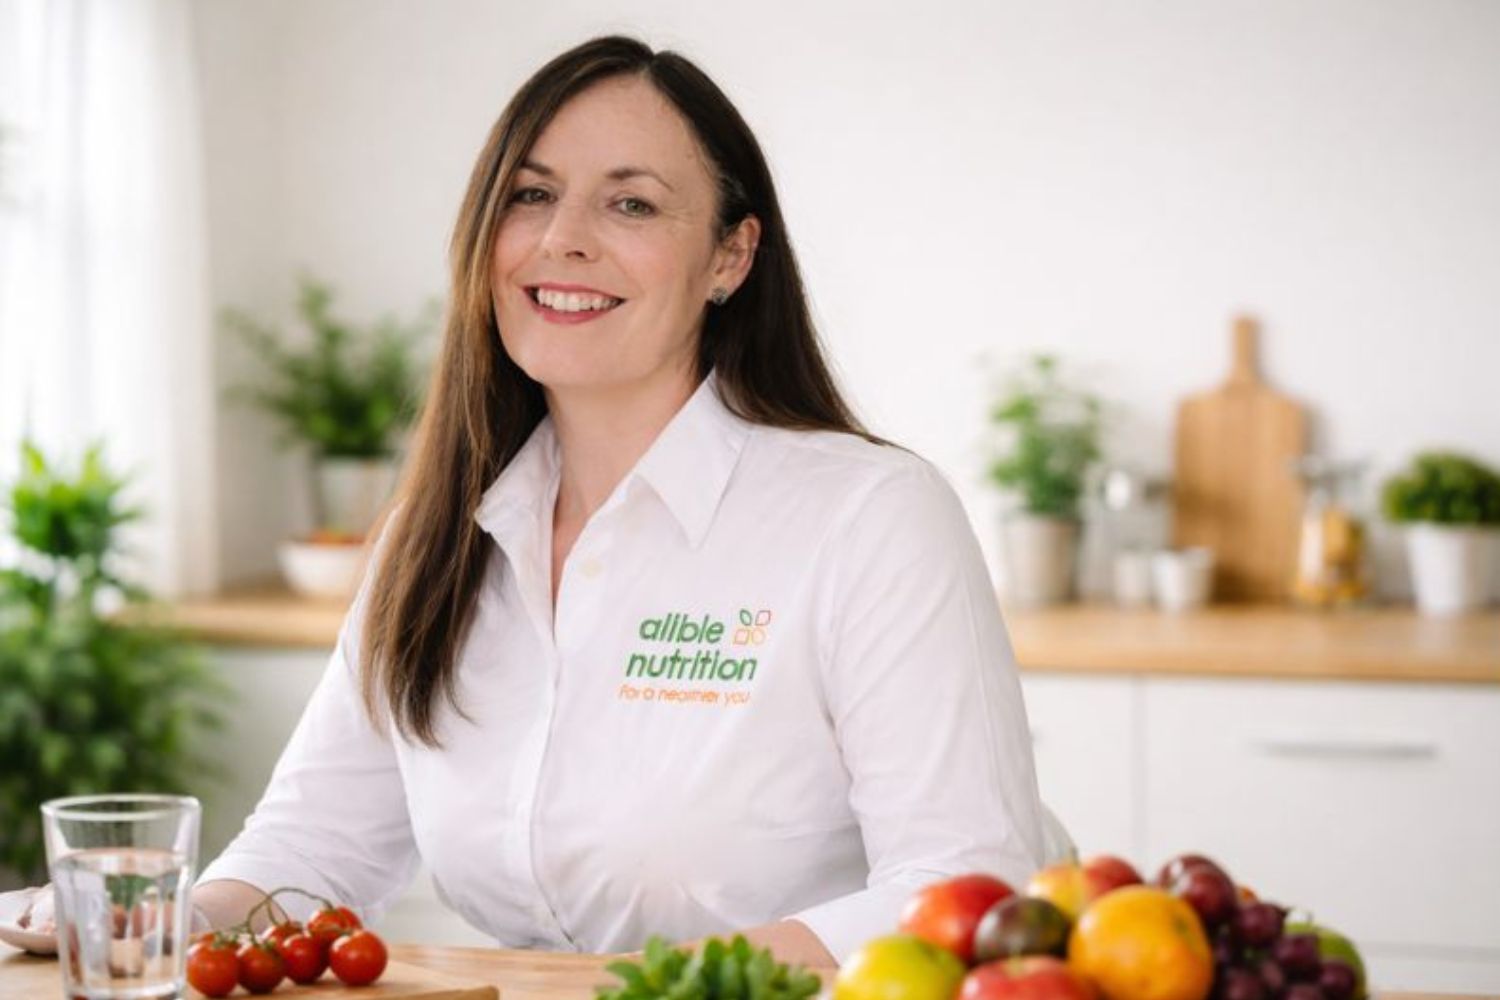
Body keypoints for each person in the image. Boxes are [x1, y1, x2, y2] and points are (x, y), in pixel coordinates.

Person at [5, 34, 1043, 966]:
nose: (563, 240)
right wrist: (157, 913)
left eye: (631, 202)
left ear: (730, 256)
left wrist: (660, 990)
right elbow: (313, 843)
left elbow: (962, 884)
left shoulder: (871, 515)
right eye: (531, 195)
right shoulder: (439, 532)